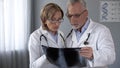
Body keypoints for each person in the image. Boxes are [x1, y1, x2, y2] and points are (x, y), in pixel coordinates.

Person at [65, 0, 116, 68]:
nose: (72, 20)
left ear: (86, 13)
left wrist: (93, 55)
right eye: (70, 16)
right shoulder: (69, 36)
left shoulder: (102, 30)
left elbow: (111, 57)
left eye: (77, 15)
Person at [28, 3, 65, 68]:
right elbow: (33, 66)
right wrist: (47, 55)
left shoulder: (61, 35)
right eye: (53, 20)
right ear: (44, 20)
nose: (57, 24)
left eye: (59, 19)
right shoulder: (35, 37)